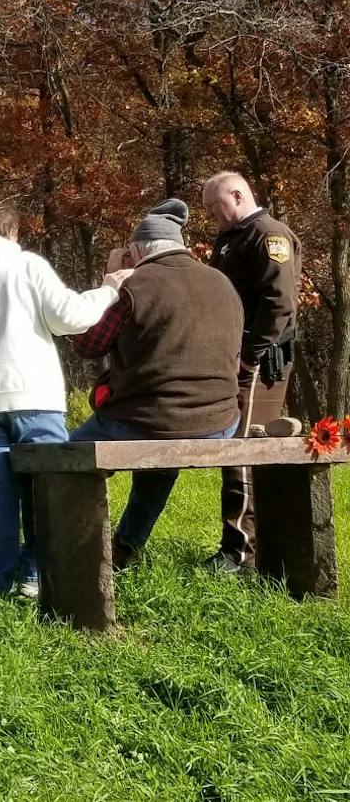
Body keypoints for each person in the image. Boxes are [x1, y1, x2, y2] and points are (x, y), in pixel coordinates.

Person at [0, 197, 131, 598]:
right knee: (45, 488)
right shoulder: (28, 266)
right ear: (12, 231)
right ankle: (37, 574)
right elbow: (69, 317)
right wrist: (108, 290)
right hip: (34, 397)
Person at [68, 198, 244, 570]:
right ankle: (127, 545)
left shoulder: (135, 285)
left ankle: (70, 554)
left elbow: (85, 344)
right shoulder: (222, 282)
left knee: (63, 461)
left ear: (135, 250)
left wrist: (109, 280)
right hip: (220, 424)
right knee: (164, 452)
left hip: (145, 420)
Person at [201, 171, 301, 573]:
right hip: (236, 356)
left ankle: (239, 551)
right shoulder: (234, 237)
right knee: (240, 447)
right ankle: (249, 544)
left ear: (238, 195)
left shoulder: (268, 235)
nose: (211, 215)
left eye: (214, 206)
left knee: (241, 448)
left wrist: (251, 357)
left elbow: (279, 303)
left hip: (259, 360)